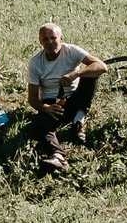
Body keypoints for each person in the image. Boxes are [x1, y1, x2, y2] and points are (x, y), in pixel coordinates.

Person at [23, 22, 105, 174]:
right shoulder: (36, 63)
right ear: (40, 42)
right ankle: (58, 156)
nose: (49, 42)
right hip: (53, 103)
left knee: (91, 76)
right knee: (40, 123)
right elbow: (32, 98)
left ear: (61, 38)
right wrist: (46, 108)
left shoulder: (71, 51)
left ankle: (78, 121)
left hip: (74, 96)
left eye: (53, 38)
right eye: (45, 39)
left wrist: (76, 73)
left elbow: (101, 66)